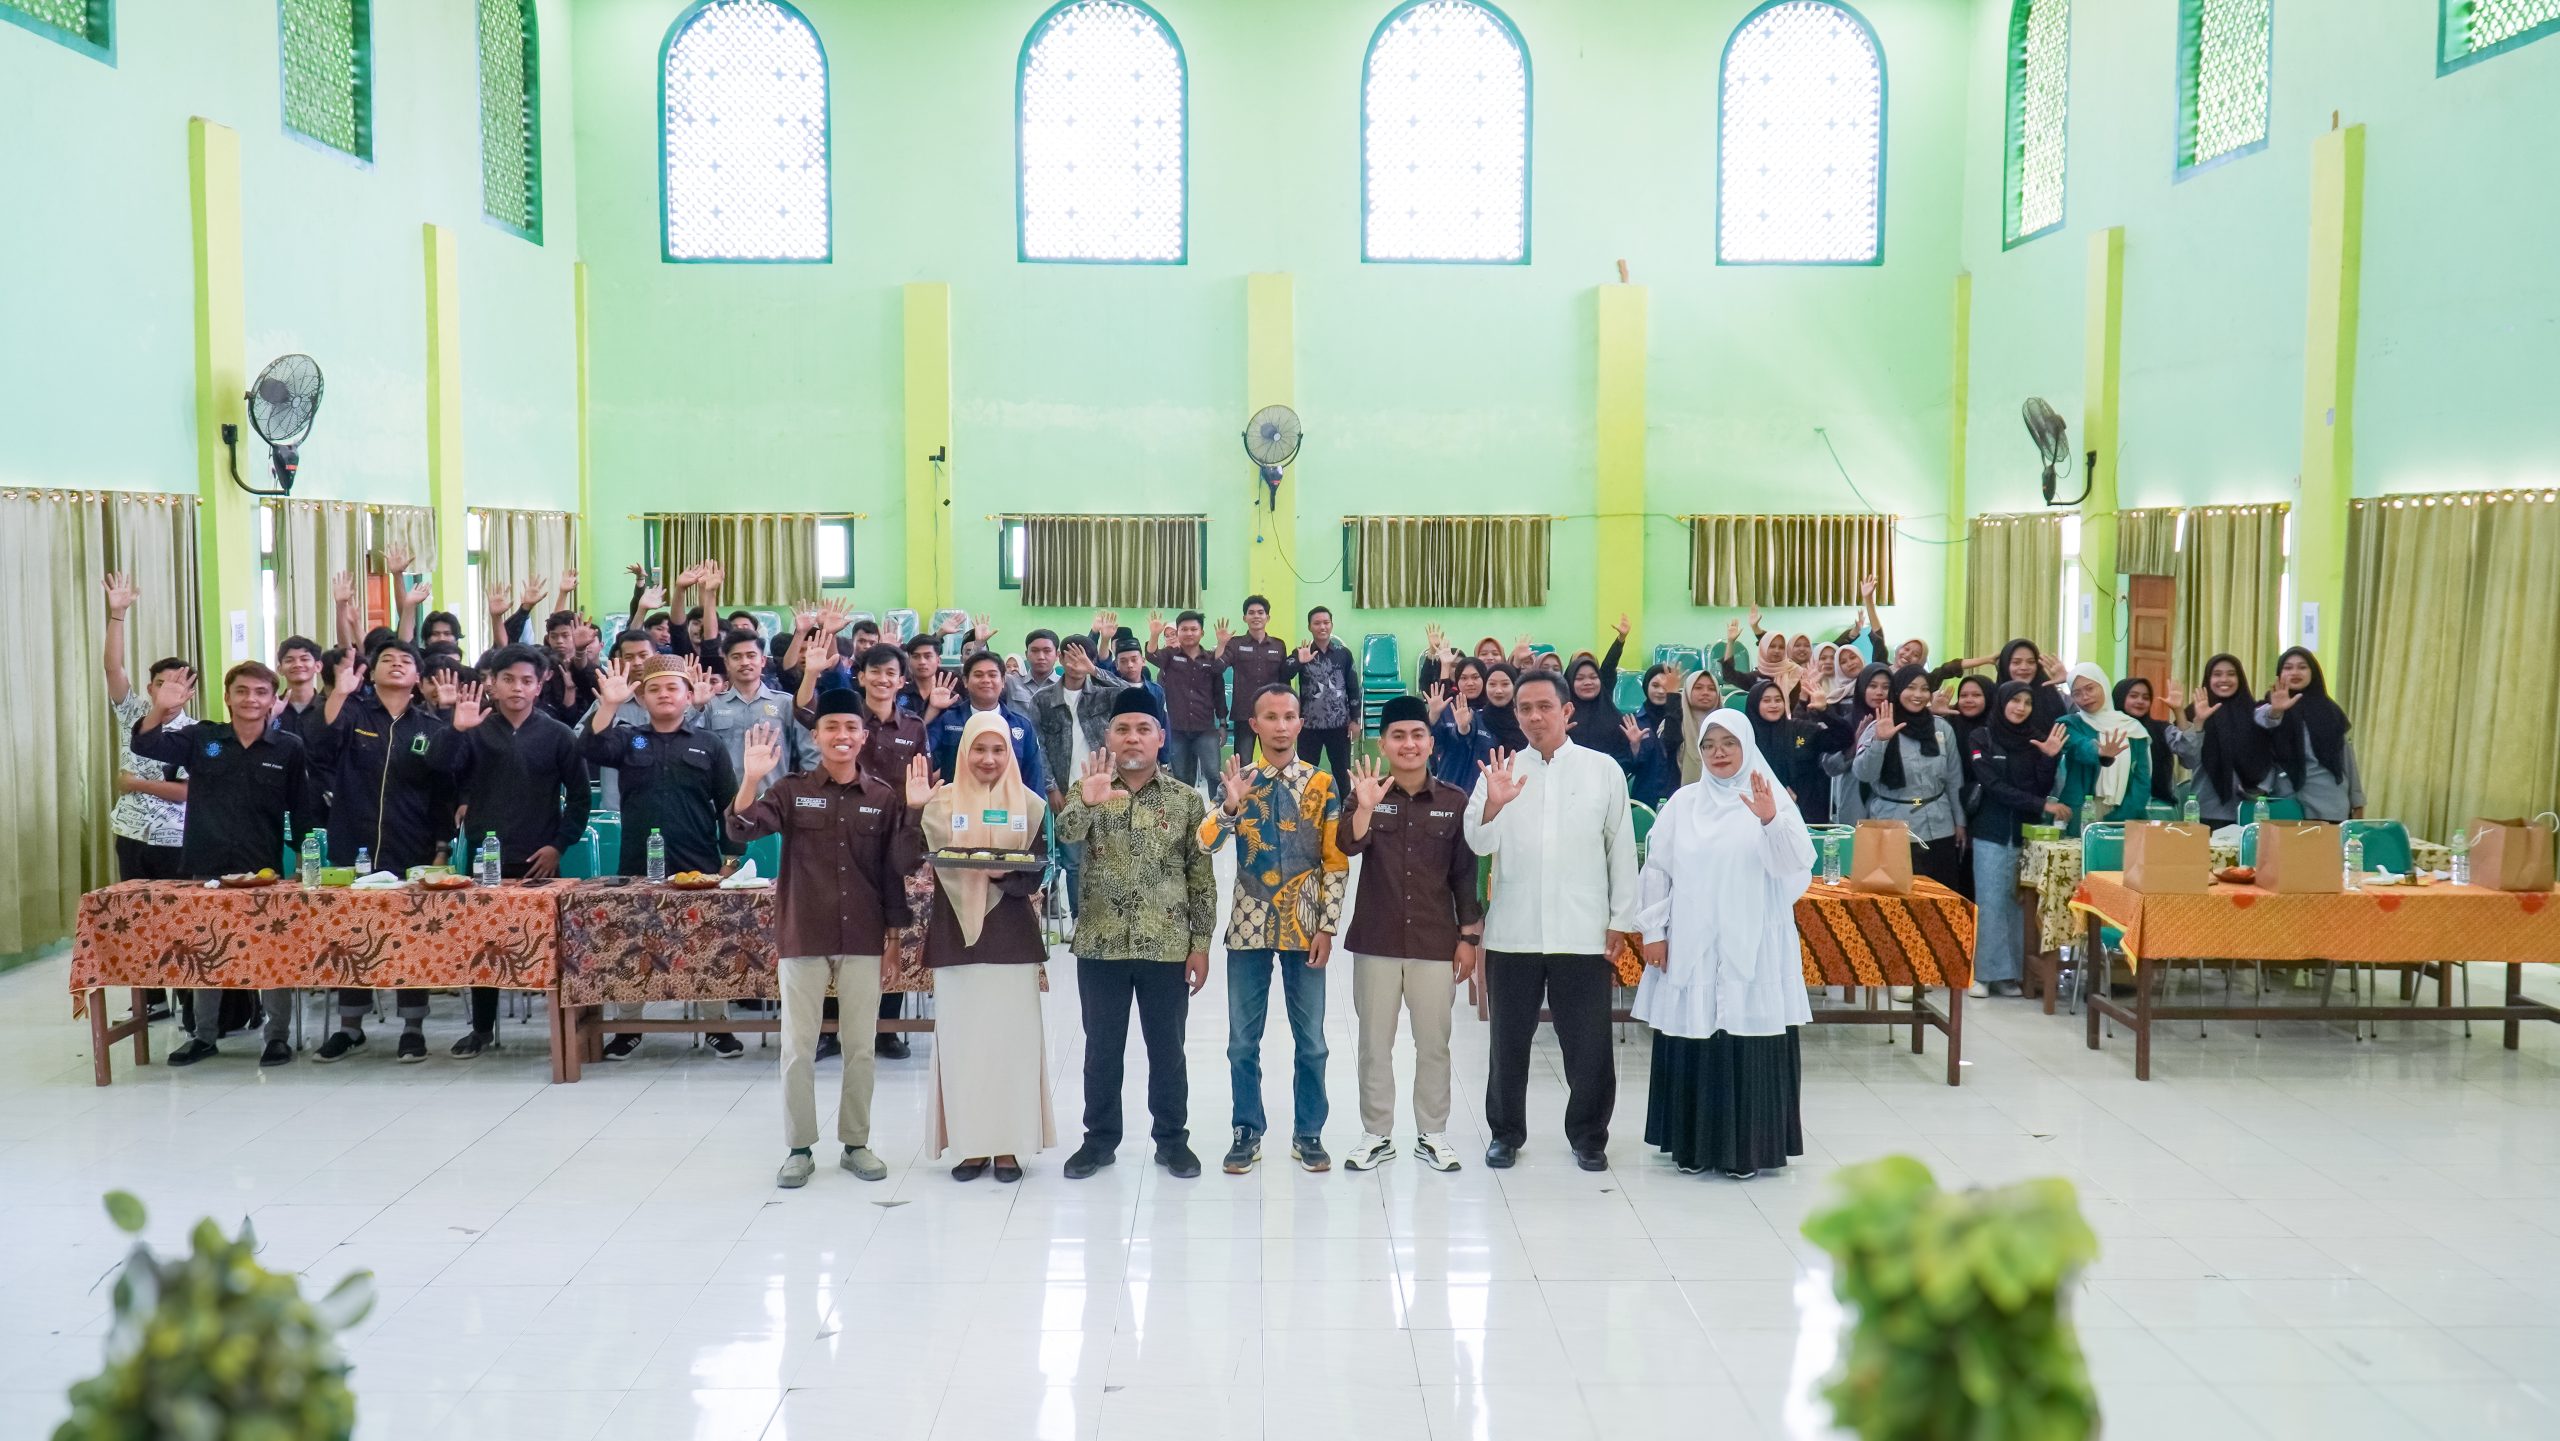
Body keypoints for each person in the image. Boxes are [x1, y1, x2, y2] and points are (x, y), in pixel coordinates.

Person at [727, 701, 928, 1188]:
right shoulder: (791, 790)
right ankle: (798, 1148)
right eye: (831, 727)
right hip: (804, 933)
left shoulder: (882, 796)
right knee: (797, 1047)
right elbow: (742, 830)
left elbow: (898, 868)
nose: (842, 735)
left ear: (863, 738)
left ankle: (856, 1143)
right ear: (815, 737)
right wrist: (751, 780)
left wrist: (916, 810)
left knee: (860, 1047)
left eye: (851, 728)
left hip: (863, 934)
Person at [1464, 671, 1640, 1172]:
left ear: (1567, 712)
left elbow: (1620, 849)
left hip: (1582, 929)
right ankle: (1505, 1132)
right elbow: (1478, 844)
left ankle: (1588, 1135)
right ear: (1515, 715)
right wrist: (1494, 803)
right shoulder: (1500, 769)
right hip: (1514, 930)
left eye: (1544, 706)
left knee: (1587, 1040)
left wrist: (1620, 919)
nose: (1534, 716)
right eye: (1525, 708)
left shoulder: (1602, 769)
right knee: (1508, 1041)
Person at [1635, 708, 1816, 1178]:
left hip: (1754, 945)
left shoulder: (1768, 796)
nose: (1718, 752)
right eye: (1710, 743)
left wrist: (1771, 820)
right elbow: (1657, 871)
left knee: (1747, 1035)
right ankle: (1691, 1146)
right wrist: (1654, 932)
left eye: (1729, 743)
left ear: (1746, 746)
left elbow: (1796, 866)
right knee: (1694, 1034)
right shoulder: (1682, 804)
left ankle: (1748, 1151)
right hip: (1693, 942)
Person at [1057, 689, 1217, 1182]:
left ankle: (1172, 1141)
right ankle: (1098, 1141)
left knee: (1167, 1050)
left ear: (1160, 738)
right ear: (1107, 737)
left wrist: (1201, 945)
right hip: (1100, 944)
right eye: (1123, 729)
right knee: (1101, 1049)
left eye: (1143, 729)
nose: (1132, 738)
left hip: (1166, 946)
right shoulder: (1091, 787)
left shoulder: (1188, 801)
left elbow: (1201, 876)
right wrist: (1085, 801)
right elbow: (1064, 836)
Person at [131, 662, 313, 1068]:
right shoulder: (202, 739)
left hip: (264, 869)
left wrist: (304, 864)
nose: (251, 699)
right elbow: (146, 746)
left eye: (261, 692)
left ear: (272, 699)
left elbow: (302, 811)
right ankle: (204, 1036)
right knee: (206, 949)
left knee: (273, 954)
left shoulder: (289, 748)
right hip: (207, 865)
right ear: (228, 696)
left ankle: (277, 1037)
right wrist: (160, 710)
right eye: (243, 691)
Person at [1201, 685, 1348, 1174]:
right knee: (1242, 1040)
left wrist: (1327, 925)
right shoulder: (1239, 780)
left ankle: (1309, 1132)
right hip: (1249, 925)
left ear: (1301, 723)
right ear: (1255, 724)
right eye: (1271, 717)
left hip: (1306, 928)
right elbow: (1205, 844)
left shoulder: (1322, 784)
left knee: (1313, 1042)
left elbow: (1336, 861)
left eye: (1290, 716)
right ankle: (1246, 1130)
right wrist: (1229, 808)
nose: (1282, 725)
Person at [1335, 698, 1481, 1174]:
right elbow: (1348, 845)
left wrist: (1468, 938)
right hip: (1376, 941)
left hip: (1436, 943)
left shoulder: (1455, 801)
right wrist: (1365, 808)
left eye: (1417, 735)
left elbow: (1465, 875)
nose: (1409, 744)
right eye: (1398, 736)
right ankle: (1376, 1135)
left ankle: (1432, 1134)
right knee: (1375, 1043)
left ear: (1431, 742)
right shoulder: (1367, 794)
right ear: (1384, 744)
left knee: (1434, 1042)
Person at [426, 646, 593, 1056]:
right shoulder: (476, 728)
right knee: (486, 944)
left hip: (542, 857)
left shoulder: (558, 734)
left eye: (526, 680)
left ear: (540, 686)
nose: (517, 687)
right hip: (486, 859)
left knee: (552, 945)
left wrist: (559, 844)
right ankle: (482, 1029)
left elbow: (580, 799)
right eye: (508, 680)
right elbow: (437, 769)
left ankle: (560, 1027)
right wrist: (456, 728)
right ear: (492, 685)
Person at [584, 653, 746, 1060]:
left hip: (700, 864)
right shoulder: (629, 737)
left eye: (672, 687)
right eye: (653, 688)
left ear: (689, 696)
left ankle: (716, 1027)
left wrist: (731, 860)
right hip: (638, 863)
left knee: (709, 945)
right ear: (643, 697)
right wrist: (609, 703)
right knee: (631, 944)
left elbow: (730, 805)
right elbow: (589, 744)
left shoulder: (708, 745)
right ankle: (628, 1028)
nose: (663, 695)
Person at [917, 712, 1056, 1183]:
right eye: (980, 749)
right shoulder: (938, 804)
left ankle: (1009, 1148)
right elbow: (904, 858)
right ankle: (972, 1146)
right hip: (955, 937)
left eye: (998, 750)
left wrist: (1005, 875)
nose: (989, 759)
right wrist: (911, 809)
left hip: (1011, 937)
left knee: (1011, 1047)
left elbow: (1037, 870)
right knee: (964, 1046)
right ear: (964, 752)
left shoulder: (1032, 805)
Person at [307, 638, 448, 1062]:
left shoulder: (429, 727)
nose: (396, 665)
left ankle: (413, 1026)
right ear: (371, 671)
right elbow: (321, 746)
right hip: (354, 840)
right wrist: (339, 691)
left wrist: (441, 847)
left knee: (411, 935)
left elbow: (443, 792)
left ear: (418, 678)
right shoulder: (351, 712)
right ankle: (350, 1027)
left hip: (412, 843)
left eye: (406, 661)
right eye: (387, 659)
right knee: (351, 935)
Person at [1967, 682, 2070, 999]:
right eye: (2014, 700)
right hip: (1991, 831)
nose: (2020, 707)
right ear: (2002, 703)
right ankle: (1984, 974)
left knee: (2019, 905)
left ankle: (2009, 974)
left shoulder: (2036, 739)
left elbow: (2041, 785)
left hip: (2027, 833)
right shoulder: (1980, 738)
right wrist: (2042, 805)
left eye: (2027, 702)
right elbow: (1993, 785)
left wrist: (2050, 758)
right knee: (1991, 903)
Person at [102, 575, 192, 893]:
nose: (169, 690)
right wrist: (118, 615)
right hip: (130, 832)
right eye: (161, 684)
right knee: (134, 912)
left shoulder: (194, 732)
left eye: (178, 684)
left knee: (174, 914)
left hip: (174, 836)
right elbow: (113, 668)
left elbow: (186, 792)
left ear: (189, 692)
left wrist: (136, 784)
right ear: (149, 687)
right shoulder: (133, 712)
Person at [1850, 665, 1967, 891]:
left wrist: (1960, 821)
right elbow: (1863, 774)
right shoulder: (1880, 726)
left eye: (1924, 689)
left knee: (1940, 898)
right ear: (1898, 691)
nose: (1918, 695)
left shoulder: (1941, 728)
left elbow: (1954, 778)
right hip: (1892, 825)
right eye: (1911, 688)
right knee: (1894, 900)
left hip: (1939, 825)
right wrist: (1880, 741)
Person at [701, 631, 815, 807]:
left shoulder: (786, 704)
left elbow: (809, 754)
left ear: (762, 661)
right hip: (722, 805)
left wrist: (808, 797)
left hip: (774, 804)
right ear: (727, 663)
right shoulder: (711, 706)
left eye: (751, 655)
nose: (745, 662)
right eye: (737, 657)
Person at [2164, 654, 2272, 827]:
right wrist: (2191, 718)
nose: (2224, 679)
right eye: (2217, 674)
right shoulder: (2193, 712)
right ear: (2208, 678)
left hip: (2251, 809)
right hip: (2206, 809)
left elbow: (2272, 737)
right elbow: (2189, 760)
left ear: (2240, 678)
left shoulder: (2254, 713)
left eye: (2231, 674)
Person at [2257, 647, 2362, 821]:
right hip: (2285, 805)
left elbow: (2347, 761)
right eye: (2288, 667)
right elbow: (2261, 721)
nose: (2295, 672)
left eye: (2302, 667)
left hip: (2329, 803)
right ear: (2279, 674)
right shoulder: (2268, 708)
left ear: (2313, 672)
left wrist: (2357, 803)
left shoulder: (2330, 711)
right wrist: (2276, 710)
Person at [927, 651, 1048, 797]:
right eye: (978, 675)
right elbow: (921, 752)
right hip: (958, 808)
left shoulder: (1021, 726)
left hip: (1008, 810)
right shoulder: (947, 720)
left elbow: (1033, 777)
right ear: (965, 681)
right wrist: (933, 710)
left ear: (1003, 681)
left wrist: (1033, 816)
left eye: (992, 675)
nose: (986, 680)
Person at [2053, 662, 2150, 831]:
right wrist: (2100, 752)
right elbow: (2079, 747)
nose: (2085, 697)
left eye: (2090, 688)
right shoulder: (2069, 724)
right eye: (2077, 693)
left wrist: (2123, 816)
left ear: (2103, 685)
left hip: (2125, 812)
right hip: (2080, 811)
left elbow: (2142, 778)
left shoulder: (2132, 728)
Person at [1146, 609, 1229, 789]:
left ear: (1202, 632)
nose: (1189, 633)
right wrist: (1154, 635)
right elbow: (1151, 655)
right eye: (1184, 629)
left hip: (1205, 729)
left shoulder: (1210, 660)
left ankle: (1216, 816)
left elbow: (1219, 693)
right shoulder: (1170, 655)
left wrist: (1223, 724)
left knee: (1214, 775)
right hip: (1177, 730)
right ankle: (1187, 816)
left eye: (1193, 629)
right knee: (1182, 779)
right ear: (1178, 632)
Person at [1283, 606, 1362, 792]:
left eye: (1326, 622)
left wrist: (1355, 720)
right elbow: (1283, 675)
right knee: (1305, 774)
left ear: (1332, 625)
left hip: (1339, 725)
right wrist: (1299, 662)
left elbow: (1353, 688)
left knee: (1342, 773)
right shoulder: (1301, 652)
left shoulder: (1344, 654)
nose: (1322, 627)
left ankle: (1345, 812)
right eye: (1317, 623)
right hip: (1309, 725)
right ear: (1310, 627)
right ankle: (1306, 812)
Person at [1745, 677, 1843, 824]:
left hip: (1807, 816)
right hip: (1758, 816)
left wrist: (1825, 712)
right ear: (1754, 704)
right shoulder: (1746, 737)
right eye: (1766, 700)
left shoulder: (1799, 729)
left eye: (1778, 700)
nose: (1774, 705)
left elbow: (1843, 739)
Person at [1219, 595, 1290, 764]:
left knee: (1276, 761)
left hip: (1272, 713)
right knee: (1244, 764)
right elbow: (1217, 668)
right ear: (1245, 618)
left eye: (1260, 612)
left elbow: (1284, 680)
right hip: (1244, 714)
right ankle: (1245, 792)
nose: (1256, 616)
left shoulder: (1278, 645)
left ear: (1268, 617)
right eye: (1251, 613)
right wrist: (1221, 645)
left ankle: (1274, 791)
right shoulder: (1235, 644)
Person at [1827, 663, 1895, 825]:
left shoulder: (1898, 721)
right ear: (1861, 687)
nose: (1879, 692)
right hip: (1854, 803)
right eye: (1872, 686)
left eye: (1886, 687)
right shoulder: (1847, 722)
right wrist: (1855, 743)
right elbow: (1830, 767)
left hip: (1889, 805)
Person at [1565, 617, 1633, 762]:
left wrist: (1620, 640)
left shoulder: (1605, 698)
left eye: (1593, 676)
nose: (1588, 682)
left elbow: (1609, 665)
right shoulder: (1562, 712)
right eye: (1580, 678)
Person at [2112, 676, 2179, 810]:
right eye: (2133, 696)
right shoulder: (2108, 730)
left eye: (2146, 697)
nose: (2140, 701)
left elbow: (2187, 750)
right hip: (2114, 808)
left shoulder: (2161, 729)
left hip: (2155, 808)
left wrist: (2178, 710)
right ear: (2120, 697)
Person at [1428, 661, 1495, 793]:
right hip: (1449, 787)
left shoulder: (1493, 712)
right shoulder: (1447, 708)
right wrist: (1433, 716)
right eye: (1463, 678)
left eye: (1475, 677)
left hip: (1484, 790)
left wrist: (1466, 729)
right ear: (1457, 681)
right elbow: (1434, 742)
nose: (1470, 683)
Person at [1478, 663, 1525, 752]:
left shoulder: (1525, 719)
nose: (1498, 690)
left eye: (1505, 684)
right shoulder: (1477, 720)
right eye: (1492, 684)